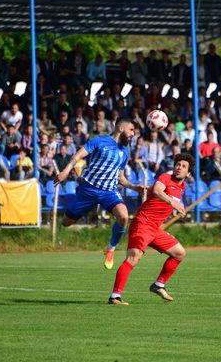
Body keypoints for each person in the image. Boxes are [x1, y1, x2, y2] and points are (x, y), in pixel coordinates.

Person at [54, 119, 146, 270]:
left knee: (123, 217)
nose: (133, 134)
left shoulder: (125, 152)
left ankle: (111, 249)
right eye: (131, 130)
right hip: (88, 189)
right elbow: (78, 156)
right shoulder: (99, 141)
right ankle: (87, 211)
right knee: (66, 222)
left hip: (109, 191)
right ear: (121, 128)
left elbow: (120, 177)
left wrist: (134, 187)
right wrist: (65, 171)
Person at [108, 153, 193, 305]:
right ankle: (115, 296)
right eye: (178, 164)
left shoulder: (182, 187)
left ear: (188, 173)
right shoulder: (165, 178)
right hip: (142, 223)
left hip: (155, 228)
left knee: (179, 253)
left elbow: (160, 197)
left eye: (184, 166)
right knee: (133, 259)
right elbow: (157, 191)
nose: (179, 167)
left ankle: (158, 285)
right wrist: (172, 203)